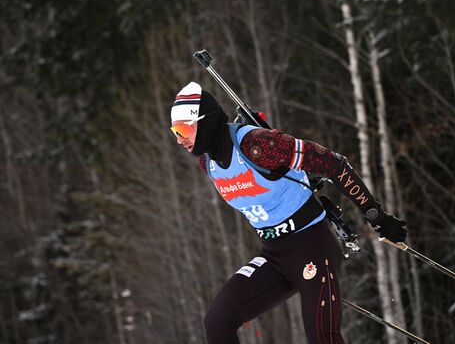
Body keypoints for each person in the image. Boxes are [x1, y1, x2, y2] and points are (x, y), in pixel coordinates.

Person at [170, 82, 407, 343]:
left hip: (313, 249)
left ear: (205, 122)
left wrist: (376, 217)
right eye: (174, 131)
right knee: (217, 321)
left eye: (183, 129)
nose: (179, 139)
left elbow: (334, 165)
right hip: (273, 255)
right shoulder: (208, 162)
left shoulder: (256, 144)